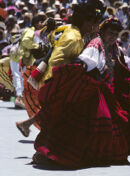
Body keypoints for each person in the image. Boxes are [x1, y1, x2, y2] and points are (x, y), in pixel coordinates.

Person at [16, 1, 105, 135]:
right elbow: (56, 61)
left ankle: (26, 126)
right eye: (92, 22)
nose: (94, 26)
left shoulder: (71, 30)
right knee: (57, 122)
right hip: (56, 81)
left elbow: (52, 37)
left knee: (55, 121)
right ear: (84, 22)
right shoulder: (73, 38)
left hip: (59, 82)